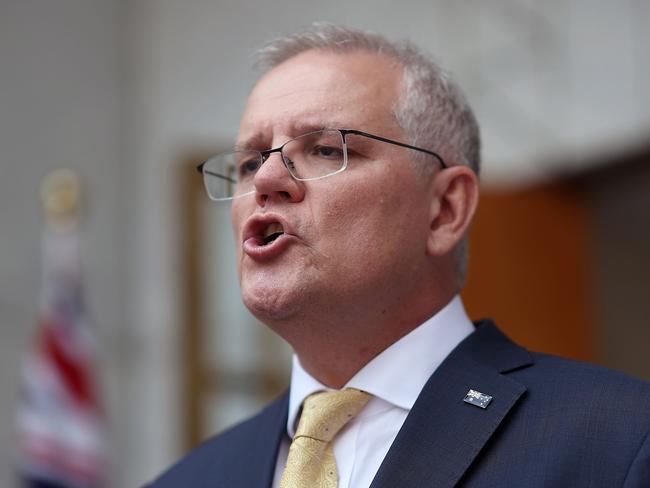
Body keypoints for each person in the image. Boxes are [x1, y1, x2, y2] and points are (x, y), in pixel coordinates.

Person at [151, 23, 650, 487]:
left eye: (325, 149)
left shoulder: (620, 441)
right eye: (250, 160)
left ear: (444, 210)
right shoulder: (188, 480)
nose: (265, 180)